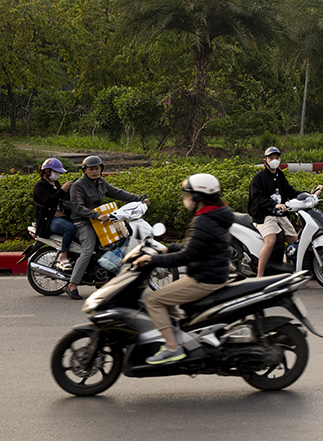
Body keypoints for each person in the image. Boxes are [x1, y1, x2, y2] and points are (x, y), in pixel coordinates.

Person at [134, 173, 233, 365]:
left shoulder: (203, 220)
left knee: (153, 300)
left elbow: (187, 256)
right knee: (166, 298)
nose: (185, 198)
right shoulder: (214, 215)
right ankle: (186, 335)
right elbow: (197, 248)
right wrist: (168, 248)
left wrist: (152, 259)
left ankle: (173, 348)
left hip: (204, 279)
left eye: (187, 194)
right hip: (211, 273)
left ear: (198, 196)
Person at [67, 154, 146, 300]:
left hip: (100, 219)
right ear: (84, 170)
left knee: (119, 240)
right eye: (91, 169)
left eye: (97, 168)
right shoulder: (78, 186)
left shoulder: (101, 183)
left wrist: (138, 199)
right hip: (83, 221)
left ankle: (106, 276)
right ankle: (73, 284)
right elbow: (78, 208)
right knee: (88, 249)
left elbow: (118, 193)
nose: (94, 171)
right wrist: (96, 216)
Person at [247, 146, 307, 278]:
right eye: (271, 158)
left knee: (294, 240)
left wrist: (307, 196)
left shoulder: (280, 175)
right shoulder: (259, 178)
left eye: (277, 157)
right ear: (265, 160)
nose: (274, 160)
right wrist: (274, 205)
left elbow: (290, 192)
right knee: (271, 241)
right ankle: (260, 275)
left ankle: (293, 272)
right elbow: (257, 198)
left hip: (280, 215)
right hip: (264, 215)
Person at [32, 158, 77, 273]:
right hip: (49, 219)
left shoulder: (54, 183)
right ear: (47, 171)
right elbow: (50, 201)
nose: (57, 175)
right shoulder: (40, 186)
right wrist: (63, 189)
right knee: (70, 228)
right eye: (55, 172)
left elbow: (60, 198)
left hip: (60, 216)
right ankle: (63, 255)